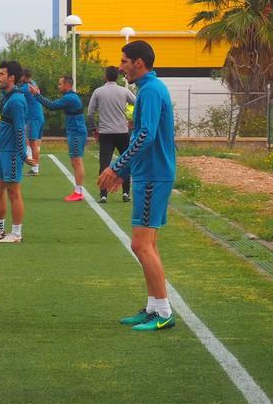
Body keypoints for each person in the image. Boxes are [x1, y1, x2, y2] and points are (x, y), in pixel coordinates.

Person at [98, 40, 178, 332]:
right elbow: (140, 137)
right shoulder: (147, 90)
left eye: (124, 62)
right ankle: (154, 307)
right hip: (147, 174)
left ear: (139, 63)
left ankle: (164, 312)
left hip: (154, 175)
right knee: (147, 244)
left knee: (140, 244)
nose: (120, 68)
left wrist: (116, 167)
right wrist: (125, 171)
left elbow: (146, 136)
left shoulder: (152, 91)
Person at [0, 61, 27, 244]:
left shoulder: (16, 100)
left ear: (11, 78)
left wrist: (23, 154)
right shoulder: (7, 96)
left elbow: (19, 129)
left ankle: (16, 233)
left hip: (12, 152)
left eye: (1, 74)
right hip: (3, 151)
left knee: (13, 192)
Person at [31, 76, 89, 202]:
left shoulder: (70, 98)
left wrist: (36, 95)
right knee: (75, 161)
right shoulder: (71, 97)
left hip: (76, 132)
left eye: (60, 84)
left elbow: (52, 106)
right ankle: (78, 190)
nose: (58, 86)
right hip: (75, 131)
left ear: (67, 84)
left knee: (77, 161)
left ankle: (79, 192)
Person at [87, 66, 136, 204]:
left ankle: (103, 194)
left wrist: (93, 129)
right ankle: (126, 193)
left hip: (106, 133)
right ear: (117, 77)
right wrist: (133, 119)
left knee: (104, 163)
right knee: (125, 161)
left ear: (105, 76)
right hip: (122, 131)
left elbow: (90, 113)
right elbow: (139, 103)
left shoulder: (98, 91)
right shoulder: (124, 91)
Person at [21, 69, 44, 175]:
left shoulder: (26, 87)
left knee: (33, 144)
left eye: (20, 76)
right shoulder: (33, 83)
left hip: (33, 117)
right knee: (34, 142)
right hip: (38, 116)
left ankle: (35, 169)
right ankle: (34, 166)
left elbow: (12, 93)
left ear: (25, 77)